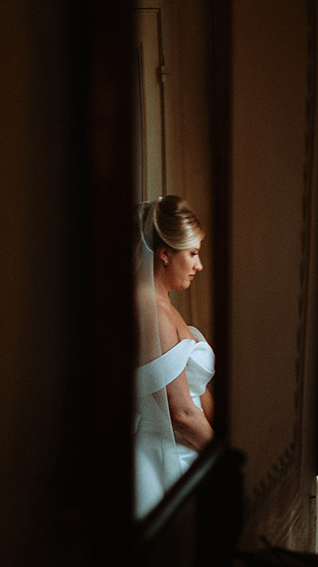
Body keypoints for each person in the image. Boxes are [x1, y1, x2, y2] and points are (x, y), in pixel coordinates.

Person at [133, 195, 215, 519]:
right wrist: (220, 458)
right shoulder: (149, 310)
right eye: (193, 254)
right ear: (165, 254)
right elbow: (180, 413)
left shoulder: (163, 305)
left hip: (189, 448)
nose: (199, 265)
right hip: (163, 460)